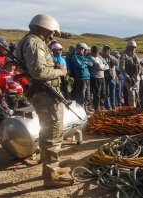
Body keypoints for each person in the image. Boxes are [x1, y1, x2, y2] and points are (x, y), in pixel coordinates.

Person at [15, 14, 72, 187]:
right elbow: (39, 72)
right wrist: (61, 72)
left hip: (43, 94)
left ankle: (51, 167)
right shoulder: (35, 43)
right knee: (53, 135)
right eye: (51, 32)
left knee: (48, 132)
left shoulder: (30, 41)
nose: (52, 36)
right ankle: (51, 175)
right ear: (43, 28)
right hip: (45, 95)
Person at [71, 43, 93, 113]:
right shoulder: (75, 57)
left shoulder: (84, 57)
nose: (82, 50)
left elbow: (91, 64)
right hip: (80, 78)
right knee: (81, 95)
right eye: (80, 48)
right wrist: (85, 63)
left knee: (87, 95)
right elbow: (80, 66)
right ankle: (81, 110)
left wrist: (84, 62)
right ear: (76, 49)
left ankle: (86, 109)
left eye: (83, 49)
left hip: (87, 78)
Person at [119, 40, 142, 107]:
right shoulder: (124, 56)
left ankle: (137, 108)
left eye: (134, 47)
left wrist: (140, 75)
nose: (133, 48)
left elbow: (139, 67)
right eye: (132, 47)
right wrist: (127, 76)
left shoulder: (135, 56)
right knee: (132, 94)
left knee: (137, 94)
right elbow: (121, 67)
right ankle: (132, 109)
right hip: (129, 78)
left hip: (137, 78)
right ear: (128, 47)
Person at [89, 45, 109, 112]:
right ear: (92, 52)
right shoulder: (90, 58)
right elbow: (98, 66)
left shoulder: (100, 57)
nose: (97, 53)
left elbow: (107, 65)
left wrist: (103, 67)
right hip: (95, 77)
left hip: (102, 77)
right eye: (96, 52)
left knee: (103, 92)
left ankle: (102, 105)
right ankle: (97, 106)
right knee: (97, 93)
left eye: (98, 52)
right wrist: (103, 66)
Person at [102, 45, 118, 110]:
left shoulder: (112, 57)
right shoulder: (102, 58)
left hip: (113, 78)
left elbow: (117, 63)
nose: (107, 51)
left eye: (108, 50)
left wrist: (110, 58)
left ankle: (113, 105)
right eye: (106, 50)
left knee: (113, 93)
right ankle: (108, 106)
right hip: (106, 78)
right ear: (103, 51)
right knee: (107, 93)